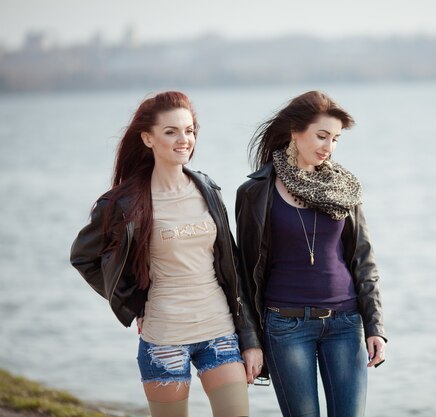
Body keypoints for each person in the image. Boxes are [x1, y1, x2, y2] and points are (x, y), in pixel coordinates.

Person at [70, 91, 263, 417]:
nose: (183, 139)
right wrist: (132, 302)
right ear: (148, 138)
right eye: (171, 131)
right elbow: (83, 258)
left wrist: (250, 338)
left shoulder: (207, 188)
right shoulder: (123, 203)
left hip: (220, 332)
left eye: (189, 130)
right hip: (164, 340)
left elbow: (233, 264)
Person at [235, 90, 387, 417]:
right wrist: (250, 340)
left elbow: (364, 262)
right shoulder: (255, 193)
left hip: (346, 323)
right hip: (285, 326)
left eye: (335, 139)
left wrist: (375, 327)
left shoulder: (345, 189)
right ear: (295, 131)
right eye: (321, 136)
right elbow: (243, 275)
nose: (328, 147)